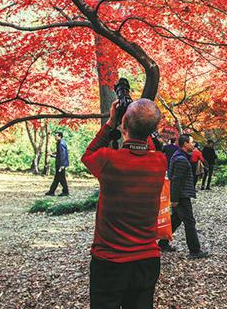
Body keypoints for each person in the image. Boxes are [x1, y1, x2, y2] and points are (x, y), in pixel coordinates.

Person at [82, 99, 167, 309]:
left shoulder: (108, 160)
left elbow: (87, 156)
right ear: (153, 130)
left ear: (124, 124)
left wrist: (111, 122)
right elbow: (146, 145)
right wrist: (138, 120)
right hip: (147, 259)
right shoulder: (160, 161)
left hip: (109, 260)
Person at [159, 134, 209, 259]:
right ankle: (195, 250)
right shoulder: (181, 159)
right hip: (181, 196)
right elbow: (176, 180)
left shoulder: (179, 156)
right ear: (185, 144)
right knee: (189, 222)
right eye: (192, 142)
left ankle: (163, 243)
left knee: (176, 219)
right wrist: (174, 199)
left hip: (180, 194)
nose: (193, 144)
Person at [45, 131, 69, 196]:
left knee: (61, 178)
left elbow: (63, 155)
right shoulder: (60, 143)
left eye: (56, 136)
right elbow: (59, 152)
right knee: (57, 178)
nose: (55, 137)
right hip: (60, 163)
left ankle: (65, 192)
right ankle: (51, 192)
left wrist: (62, 165)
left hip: (60, 164)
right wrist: (52, 154)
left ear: (60, 136)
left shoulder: (61, 143)